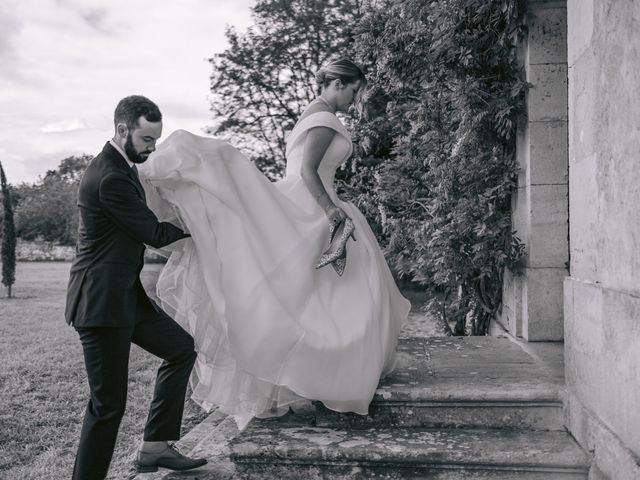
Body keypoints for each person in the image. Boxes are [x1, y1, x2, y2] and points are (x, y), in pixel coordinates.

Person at [139, 59, 411, 428]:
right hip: (313, 207)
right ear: (334, 83)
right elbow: (307, 172)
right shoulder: (325, 120)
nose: (354, 98)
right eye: (352, 90)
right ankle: (329, 374)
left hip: (302, 201)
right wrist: (331, 211)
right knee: (338, 296)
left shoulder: (308, 115)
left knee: (302, 296)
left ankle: (302, 376)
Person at [64, 95, 207, 479]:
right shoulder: (109, 176)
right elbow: (154, 233)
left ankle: (155, 447)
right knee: (107, 406)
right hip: (100, 305)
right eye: (146, 140)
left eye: (156, 140)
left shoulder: (122, 167)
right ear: (123, 130)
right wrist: (207, 223)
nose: (152, 148)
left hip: (126, 297)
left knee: (180, 349)